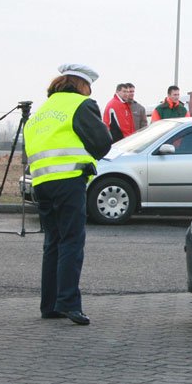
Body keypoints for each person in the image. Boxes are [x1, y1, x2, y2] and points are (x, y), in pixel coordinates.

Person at [24, 64, 113, 325]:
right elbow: (101, 142)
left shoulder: (42, 112)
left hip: (41, 183)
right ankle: (69, 303)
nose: (90, 92)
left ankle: (49, 305)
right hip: (69, 180)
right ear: (81, 85)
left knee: (53, 242)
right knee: (72, 241)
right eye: (89, 87)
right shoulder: (80, 105)